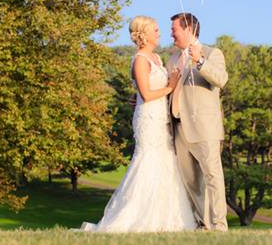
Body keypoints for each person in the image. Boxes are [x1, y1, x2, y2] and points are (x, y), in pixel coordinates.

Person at [79, 16, 197, 232]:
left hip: (161, 118)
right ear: (144, 33)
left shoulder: (157, 58)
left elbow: (142, 92)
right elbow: (146, 93)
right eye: (156, 29)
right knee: (148, 161)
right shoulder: (140, 59)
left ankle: (167, 219)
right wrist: (170, 87)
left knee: (165, 162)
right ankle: (136, 217)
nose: (159, 33)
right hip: (148, 119)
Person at [167, 12, 229, 231]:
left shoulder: (212, 53)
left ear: (189, 30)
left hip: (204, 128)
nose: (171, 34)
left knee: (213, 176)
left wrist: (199, 61)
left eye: (174, 29)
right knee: (191, 181)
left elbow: (221, 80)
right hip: (179, 127)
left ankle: (219, 225)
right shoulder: (172, 58)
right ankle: (202, 224)